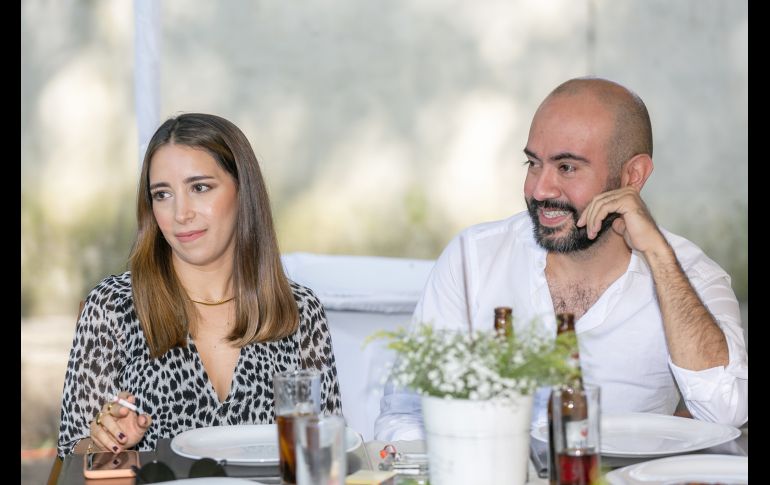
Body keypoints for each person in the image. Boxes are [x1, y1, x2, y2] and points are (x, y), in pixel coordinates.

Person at [374, 77, 748, 441]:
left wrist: (657, 256)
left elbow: (727, 411)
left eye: (566, 167)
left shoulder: (688, 275)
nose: (539, 189)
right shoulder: (474, 257)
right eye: (533, 164)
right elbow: (405, 415)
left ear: (632, 176)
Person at [57, 113, 342, 458]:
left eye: (200, 188)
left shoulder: (299, 310)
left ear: (243, 191)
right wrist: (107, 441)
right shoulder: (113, 306)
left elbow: (328, 451)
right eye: (162, 194)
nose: (181, 213)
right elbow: (71, 452)